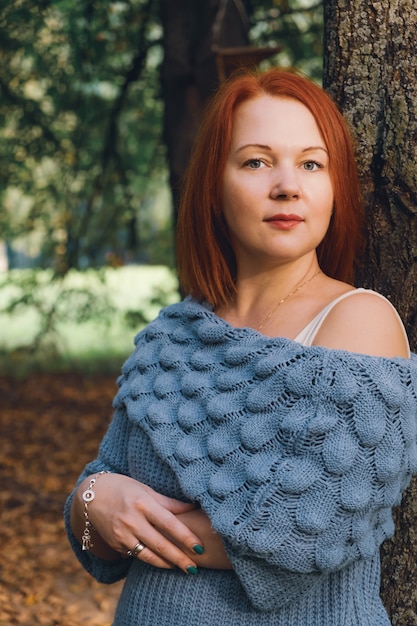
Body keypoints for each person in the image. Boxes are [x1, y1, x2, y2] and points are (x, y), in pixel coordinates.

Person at [65, 67, 417, 626]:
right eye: (256, 161)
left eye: (311, 163)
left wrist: (117, 511)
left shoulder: (359, 323)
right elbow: (91, 537)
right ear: (213, 184)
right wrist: (92, 502)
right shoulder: (172, 335)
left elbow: (302, 535)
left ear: (334, 187)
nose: (287, 185)